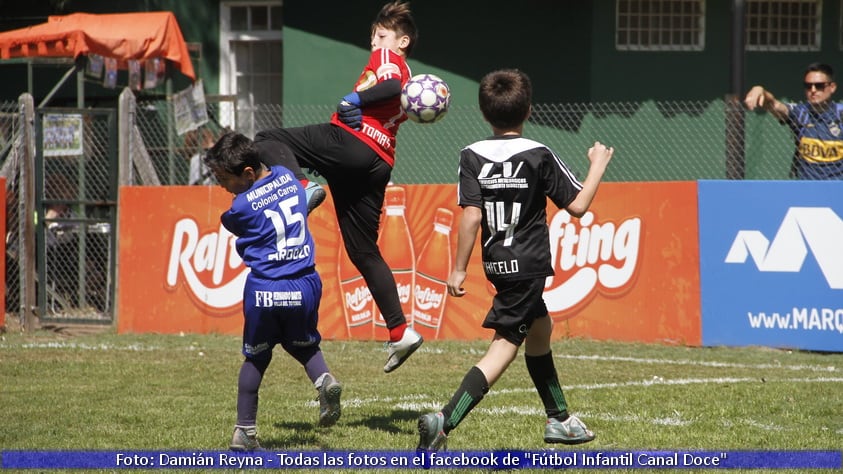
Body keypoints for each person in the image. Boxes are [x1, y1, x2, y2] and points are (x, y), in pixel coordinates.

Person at [417, 69, 615, 451]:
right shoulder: (539, 153)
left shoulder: (471, 155)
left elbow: (472, 215)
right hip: (530, 264)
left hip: (498, 263)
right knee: (505, 346)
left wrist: (459, 267)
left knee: (540, 327)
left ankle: (559, 418)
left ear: (484, 113)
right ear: (529, 110)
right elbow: (578, 205)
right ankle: (444, 421)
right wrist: (597, 165)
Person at [254, 1, 422, 373]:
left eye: (381, 35)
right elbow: (398, 97)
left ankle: (301, 186)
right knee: (363, 252)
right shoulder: (410, 76)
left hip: (351, 143)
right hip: (379, 162)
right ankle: (400, 331)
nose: (374, 42)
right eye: (373, 37)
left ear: (402, 41)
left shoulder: (388, 60)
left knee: (266, 137)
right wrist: (365, 106)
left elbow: (391, 83)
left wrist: (355, 99)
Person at [204, 131, 342, 451]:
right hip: (305, 284)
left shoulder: (238, 209)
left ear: (248, 173)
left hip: (265, 289)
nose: (222, 186)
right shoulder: (286, 177)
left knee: (256, 358)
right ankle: (324, 380)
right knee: (304, 344)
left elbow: (235, 221)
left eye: (224, 179)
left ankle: (245, 432)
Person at [744, 62, 843, 179]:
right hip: (806, 187)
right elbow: (773, 104)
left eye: (819, 85)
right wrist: (759, 89)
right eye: (808, 86)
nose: (813, 90)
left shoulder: (840, 114)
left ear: (832, 87)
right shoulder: (800, 113)